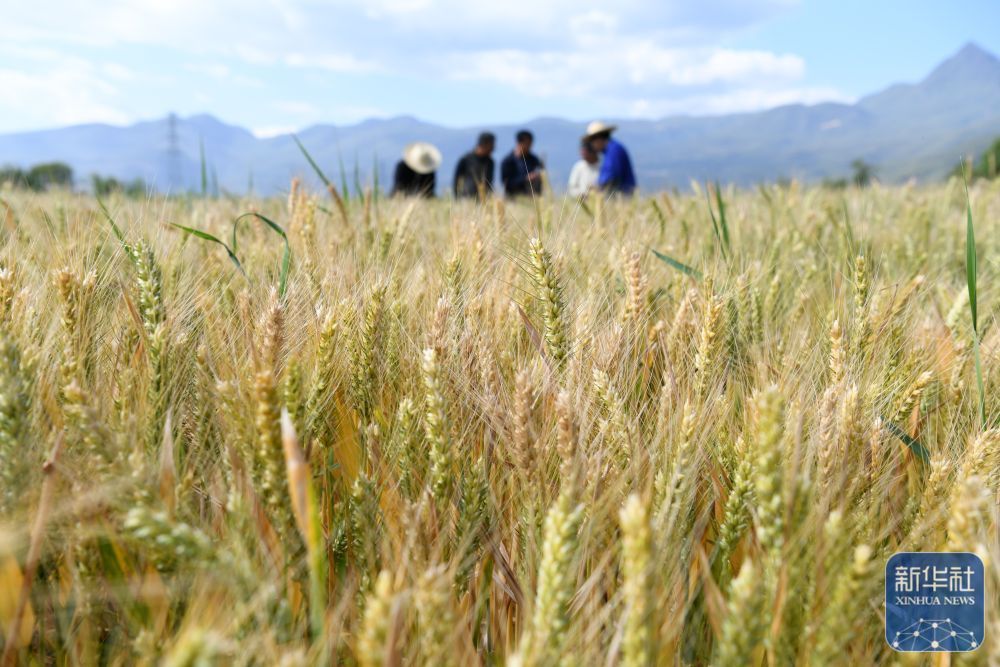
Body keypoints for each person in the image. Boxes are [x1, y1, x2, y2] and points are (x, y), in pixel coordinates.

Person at [583, 121, 636, 195]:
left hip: (623, 195)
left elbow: (610, 177)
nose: (592, 145)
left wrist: (595, 188)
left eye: (592, 141)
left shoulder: (613, 151)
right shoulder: (611, 149)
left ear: (599, 138)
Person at [500, 129, 544, 198]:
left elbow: (542, 175)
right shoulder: (507, 161)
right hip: (513, 199)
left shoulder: (534, 160)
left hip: (533, 199)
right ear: (519, 143)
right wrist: (525, 179)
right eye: (528, 143)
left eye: (531, 143)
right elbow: (506, 184)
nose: (530, 146)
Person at [453, 132, 495, 199]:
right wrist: (456, 197)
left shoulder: (490, 162)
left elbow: (490, 182)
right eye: (491, 145)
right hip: (466, 198)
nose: (493, 148)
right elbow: (456, 180)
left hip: (484, 200)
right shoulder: (465, 159)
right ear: (484, 144)